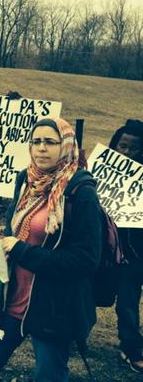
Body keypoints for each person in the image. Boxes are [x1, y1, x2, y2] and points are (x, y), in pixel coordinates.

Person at [0, 118, 102, 382]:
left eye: (50, 142)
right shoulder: (26, 180)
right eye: (35, 141)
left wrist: (23, 251)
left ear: (66, 146)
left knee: (49, 374)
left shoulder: (81, 193)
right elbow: (13, 230)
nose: (41, 149)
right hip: (13, 297)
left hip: (53, 306)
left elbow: (85, 260)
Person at [110, 119, 143, 373]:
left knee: (128, 302)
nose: (126, 153)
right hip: (104, 251)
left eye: (133, 149)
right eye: (122, 146)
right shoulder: (102, 174)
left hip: (134, 254)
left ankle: (131, 347)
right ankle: (72, 334)